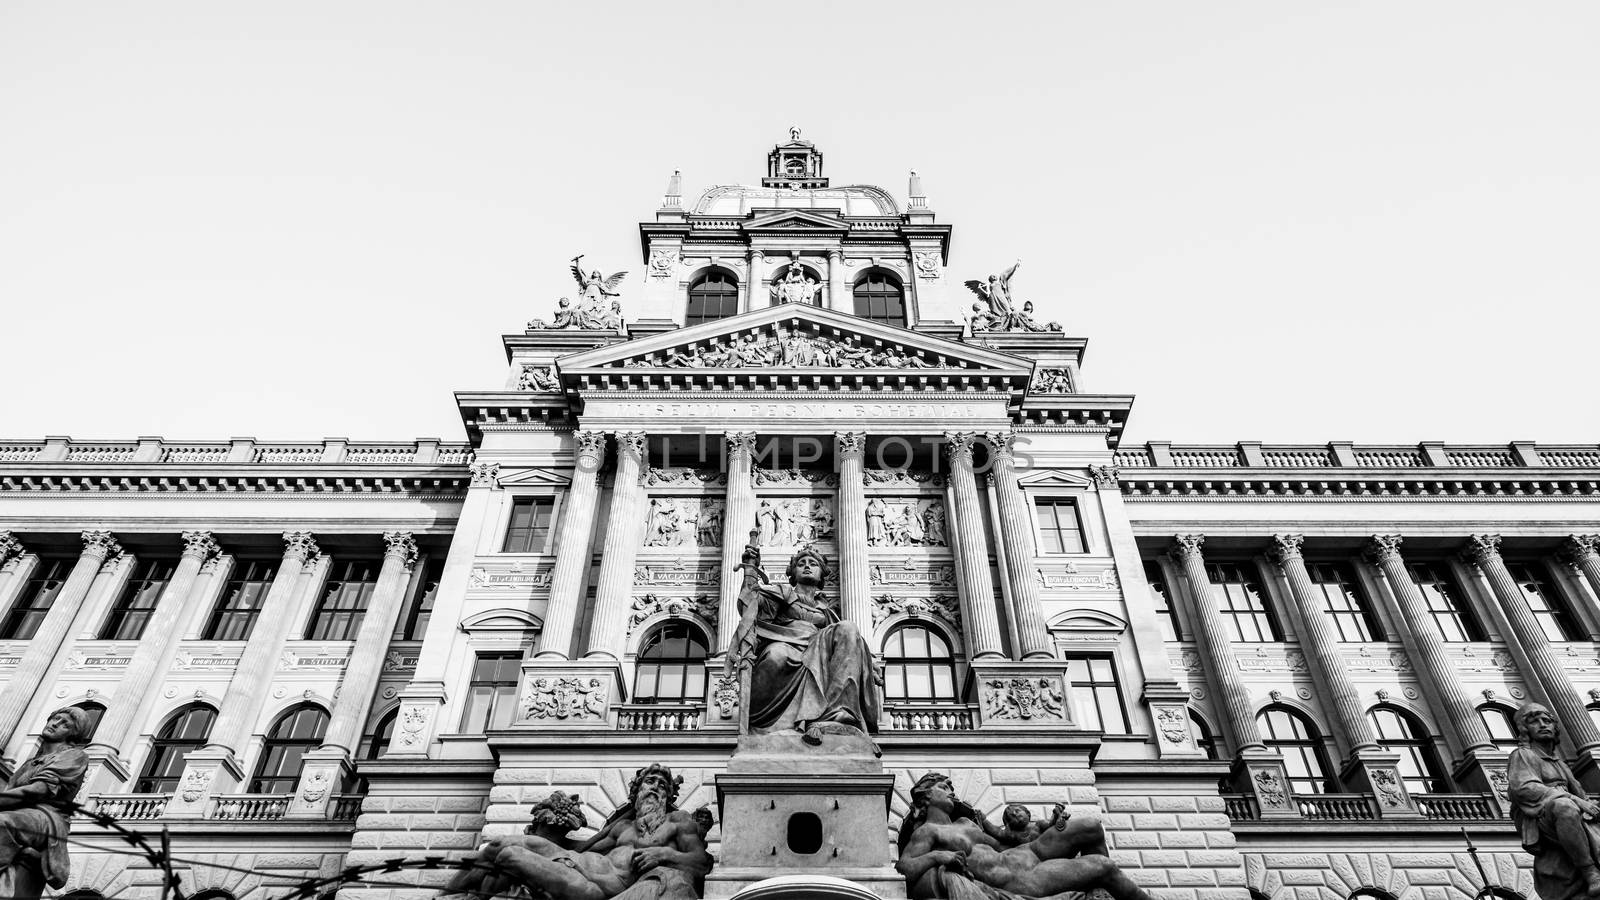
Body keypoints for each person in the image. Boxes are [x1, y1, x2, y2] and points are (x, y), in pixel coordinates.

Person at [449, 764, 711, 900]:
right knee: (498, 845)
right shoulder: (621, 827)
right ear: (637, 791)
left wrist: (663, 854)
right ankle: (448, 896)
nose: (655, 788)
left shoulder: (678, 822)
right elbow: (578, 849)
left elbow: (701, 863)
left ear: (669, 795)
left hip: (597, 887)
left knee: (510, 858)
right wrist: (553, 827)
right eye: (649, 782)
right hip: (579, 863)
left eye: (662, 785)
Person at [896, 773, 1150, 900]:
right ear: (926, 796)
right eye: (943, 788)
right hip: (1019, 879)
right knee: (1103, 866)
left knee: (1091, 826)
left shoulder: (965, 822)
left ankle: (1097, 893)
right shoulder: (926, 832)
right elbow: (904, 868)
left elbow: (1005, 840)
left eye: (951, 788)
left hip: (1027, 852)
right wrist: (938, 855)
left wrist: (1049, 825)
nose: (951, 792)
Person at [724, 544, 880, 745]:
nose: (807, 566)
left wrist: (866, 661)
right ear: (792, 572)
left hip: (818, 649)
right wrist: (751, 571)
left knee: (848, 627)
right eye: (801, 564)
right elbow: (750, 605)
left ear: (822, 574)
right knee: (776, 656)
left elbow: (848, 643)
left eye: (813, 563)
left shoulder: (826, 611)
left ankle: (837, 712)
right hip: (784, 641)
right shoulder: (781, 592)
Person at [1509, 702, 1600, 899]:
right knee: (1564, 807)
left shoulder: (1558, 762)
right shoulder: (1523, 755)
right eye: (1534, 722)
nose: (1543, 725)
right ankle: (1590, 871)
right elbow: (1524, 788)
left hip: (1568, 813)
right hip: (1541, 814)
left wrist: (1588, 804)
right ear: (1525, 729)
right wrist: (1573, 799)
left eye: (1547, 720)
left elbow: (1581, 795)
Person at [0, 707, 92, 897]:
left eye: (65, 724)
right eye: (56, 718)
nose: (55, 724)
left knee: (2, 822)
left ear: (73, 734)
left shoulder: (74, 756)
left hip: (47, 818)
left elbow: (37, 791)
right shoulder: (29, 764)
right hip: (23, 813)